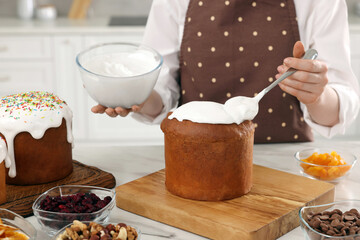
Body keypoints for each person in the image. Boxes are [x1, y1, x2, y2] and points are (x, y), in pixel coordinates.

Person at [92, 0, 360, 143]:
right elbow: (160, 91)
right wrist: (135, 94)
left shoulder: (321, 2)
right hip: (194, 156)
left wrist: (317, 96)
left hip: (285, 163)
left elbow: (341, 105)